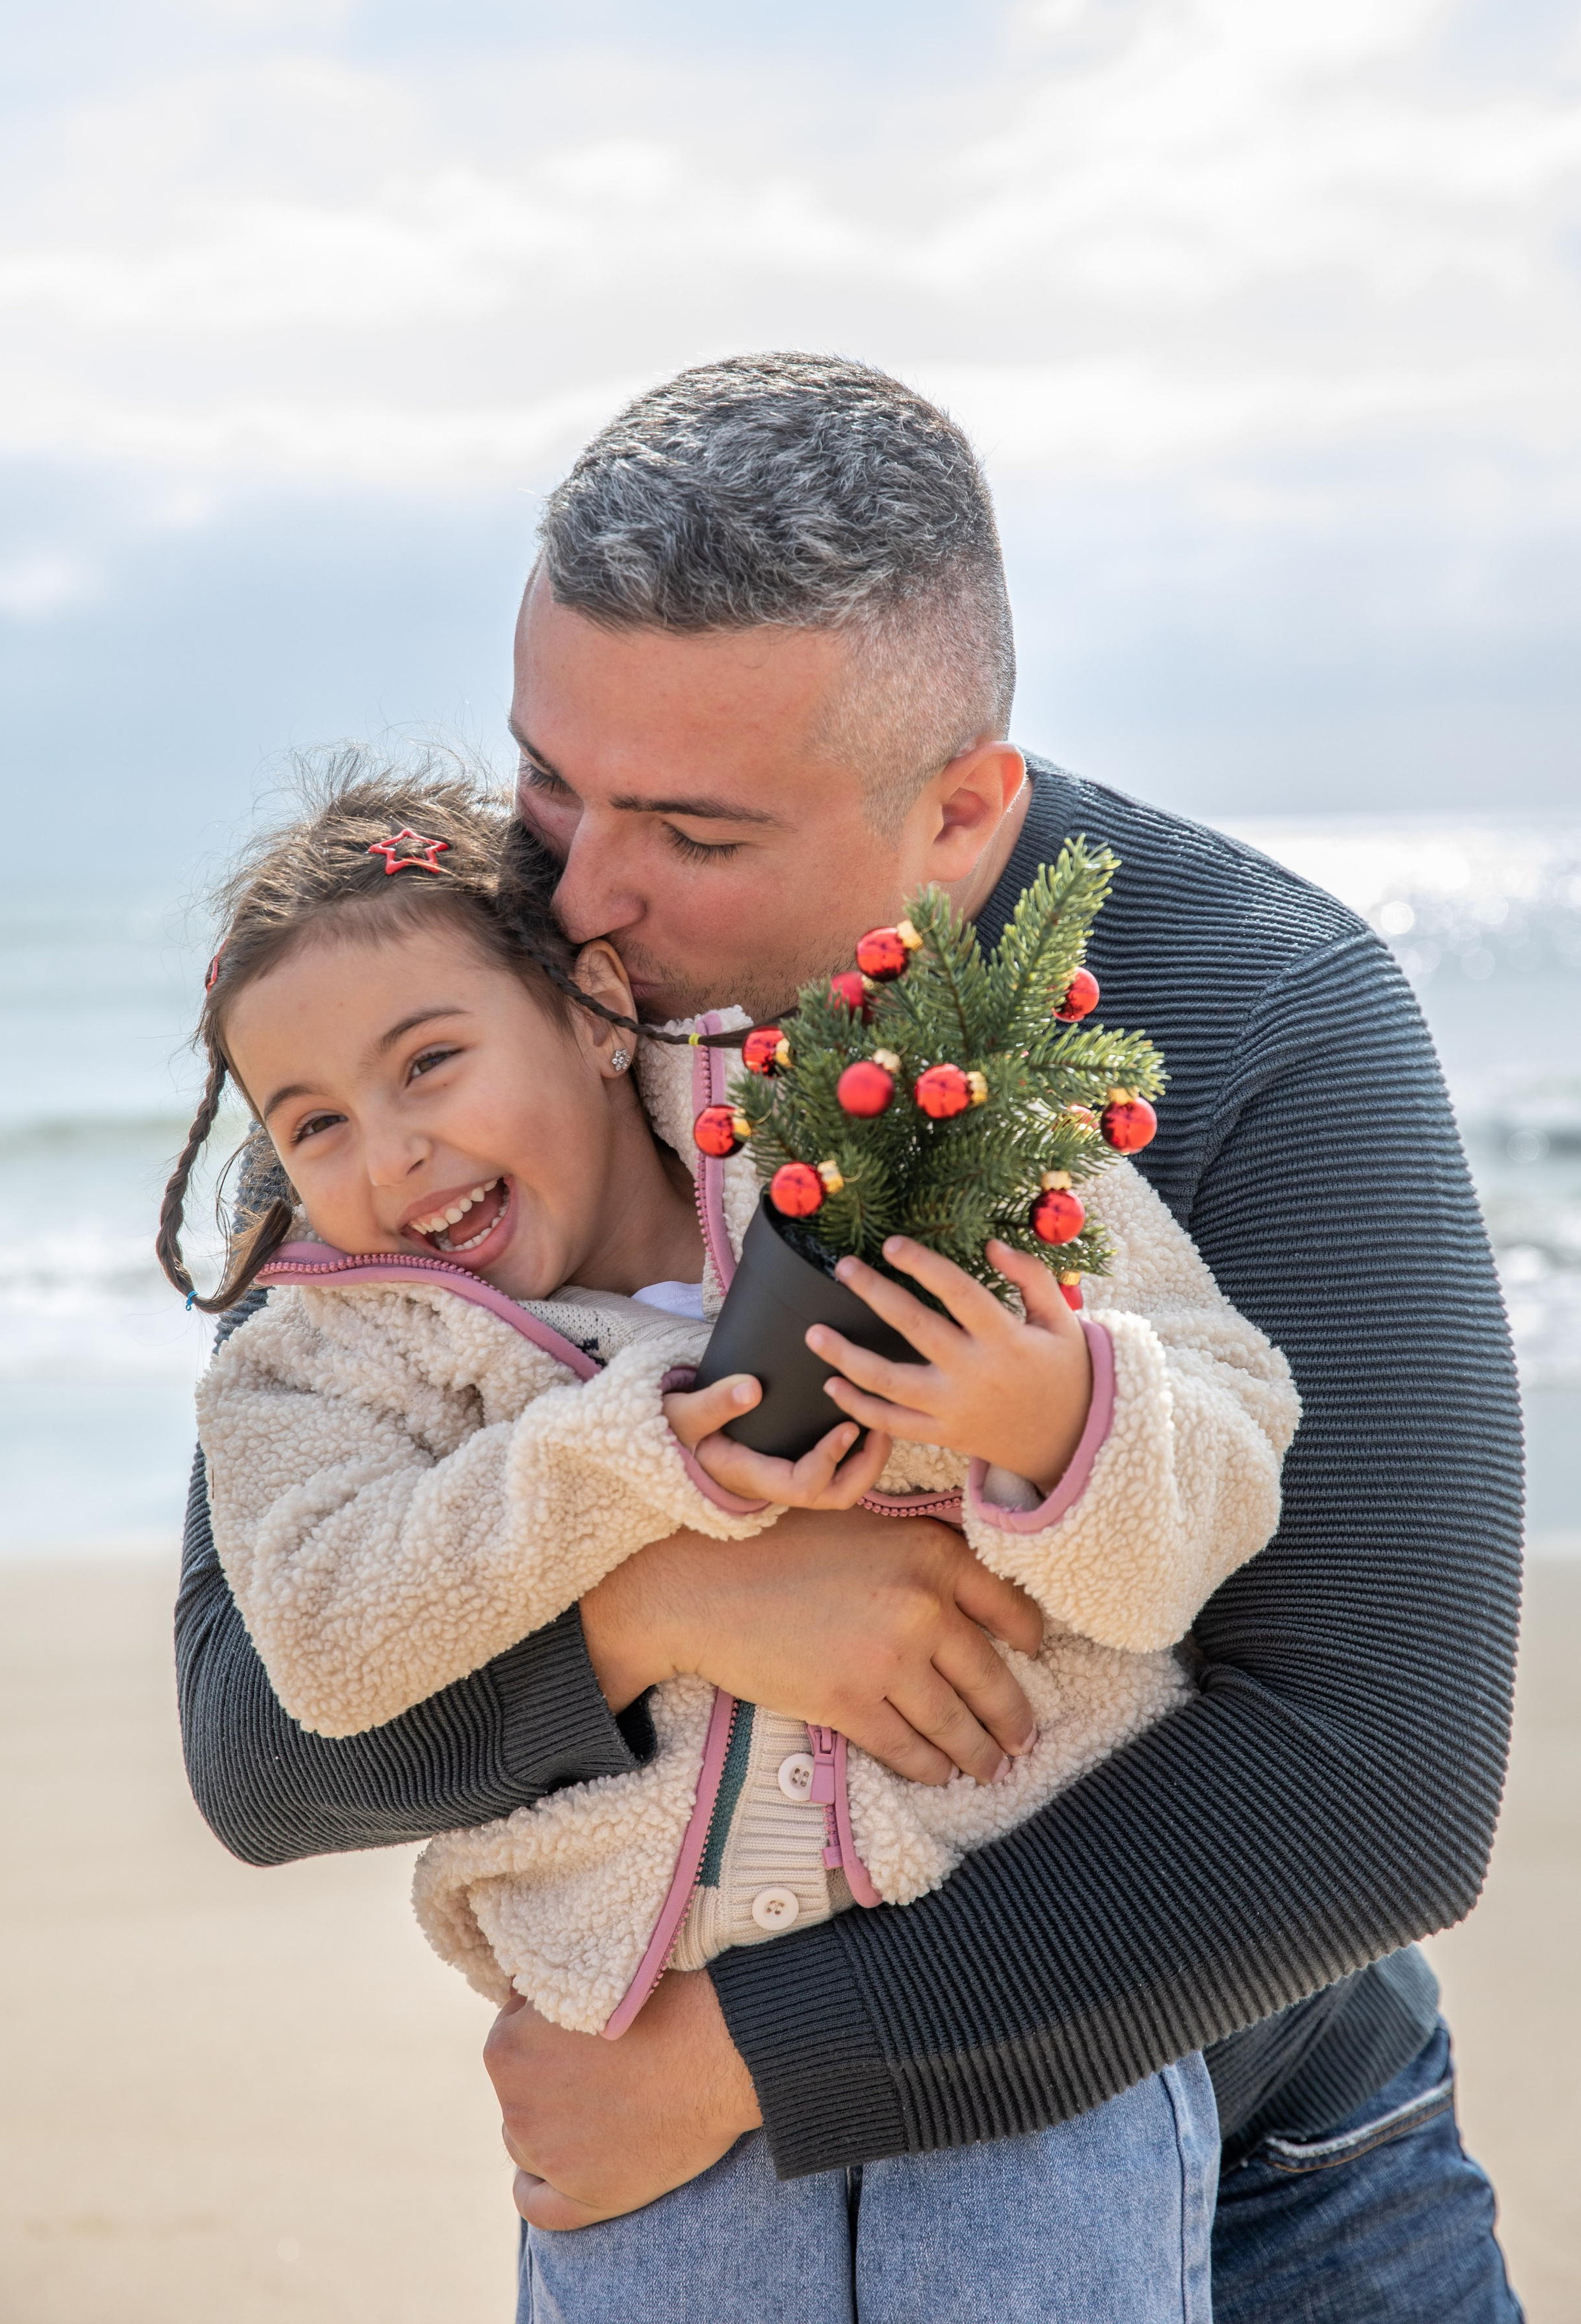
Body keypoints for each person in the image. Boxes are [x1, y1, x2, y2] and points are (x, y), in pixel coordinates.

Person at [174, 356, 1525, 2321]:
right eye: (551, 775)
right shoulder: (453, 1023)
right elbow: (261, 1746)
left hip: (1277, 2176)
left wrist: (746, 2065)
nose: (582, 888)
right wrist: (667, 1608)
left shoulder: (1257, 1010)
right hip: (696, 2197)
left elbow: (1376, 1774)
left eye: (695, 833)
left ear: (964, 809)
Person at [167, 756, 1296, 2318]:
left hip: (1013, 2009)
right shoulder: (319, 1362)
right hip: (627, 2055)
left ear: (586, 1007)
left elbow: (1233, 1443)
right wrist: (633, 1470)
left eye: (428, 1062)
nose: (389, 1153)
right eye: (314, 1126)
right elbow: (329, 1637)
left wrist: (1057, 1416)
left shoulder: (890, 1135)